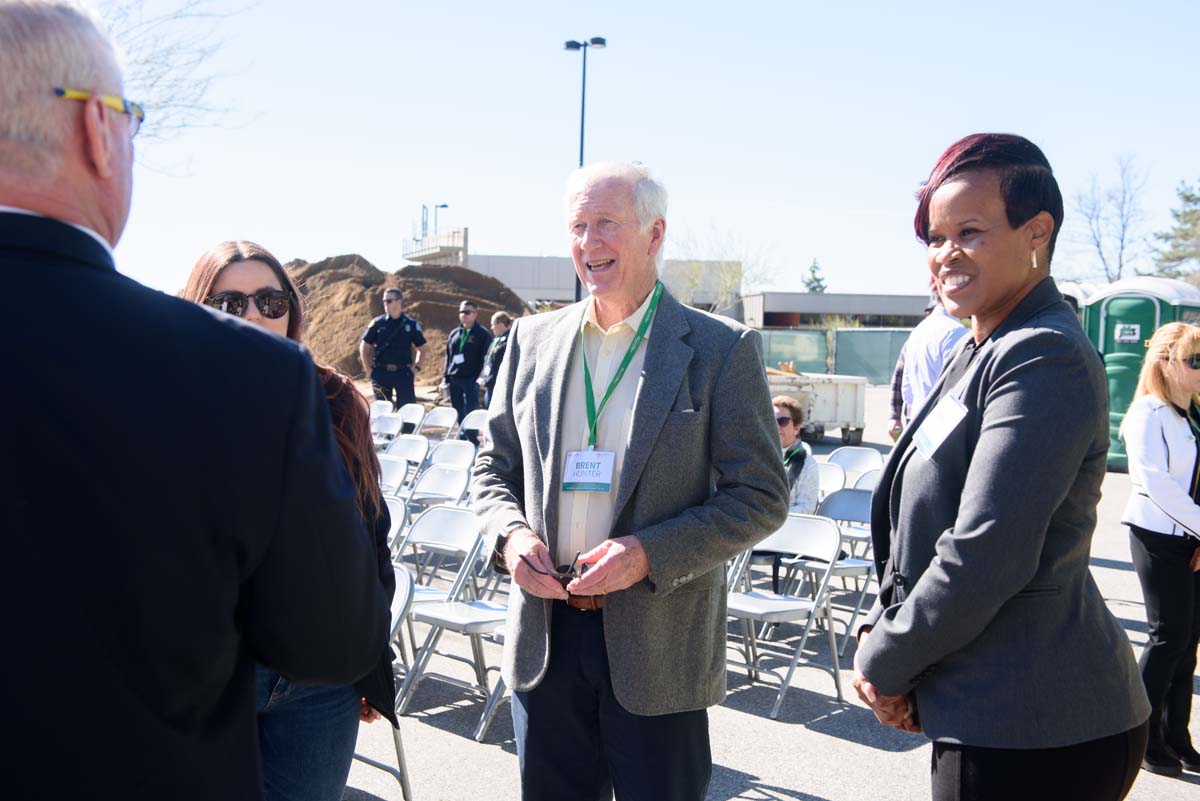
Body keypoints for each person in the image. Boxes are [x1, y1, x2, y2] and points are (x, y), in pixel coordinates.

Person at [0, 3, 388, 798]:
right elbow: (330, 636)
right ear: (98, 135)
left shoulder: (300, 389)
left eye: (269, 301)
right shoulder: (243, 380)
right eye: (132, 121)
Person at [472, 161, 789, 801]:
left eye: (607, 225)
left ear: (654, 234)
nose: (589, 244)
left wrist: (647, 554)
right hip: (546, 638)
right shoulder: (532, 341)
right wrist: (508, 536)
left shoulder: (722, 349)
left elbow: (760, 496)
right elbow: (490, 465)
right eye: (578, 226)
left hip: (658, 646)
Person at [852, 133, 1150, 801]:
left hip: (1037, 729)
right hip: (994, 713)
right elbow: (919, 521)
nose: (944, 254)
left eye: (970, 231)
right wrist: (885, 628)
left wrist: (884, 659)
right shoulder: (982, 344)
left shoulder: (1044, 354)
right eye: (934, 236)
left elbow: (988, 547)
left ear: (1036, 231)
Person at [182, 241, 398, 801]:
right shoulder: (168, 397)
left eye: (270, 301)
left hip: (318, 684)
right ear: (196, 306)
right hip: (208, 678)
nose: (254, 315)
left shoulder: (335, 398)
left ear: (292, 311)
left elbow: (370, 534)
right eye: (229, 303)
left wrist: (373, 661)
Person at [1120, 322, 1200, 777]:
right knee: (1167, 637)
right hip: (1157, 535)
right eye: (1195, 360)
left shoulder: (1192, 413)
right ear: (1166, 363)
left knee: (1188, 641)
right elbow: (1156, 485)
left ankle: (1177, 735)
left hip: (1192, 537)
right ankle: (1144, 738)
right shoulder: (1147, 414)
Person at [900, 290, 967, 421]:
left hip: (915, 417)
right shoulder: (956, 332)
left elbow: (906, 393)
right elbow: (960, 389)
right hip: (942, 422)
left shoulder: (918, 330)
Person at [361, 287, 425, 411]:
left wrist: (415, 369)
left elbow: (421, 349)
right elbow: (364, 346)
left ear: (399, 301)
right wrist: (368, 369)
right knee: (382, 412)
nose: (385, 304)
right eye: (384, 301)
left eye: (389, 300)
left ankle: (407, 431)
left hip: (403, 374)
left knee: (407, 411)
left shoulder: (411, 325)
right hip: (381, 373)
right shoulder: (377, 323)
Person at [444, 299, 491, 421]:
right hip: (455, 378)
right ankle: (461, 435)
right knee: (457, 410)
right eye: (461, 311)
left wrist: (479, 378)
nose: (463, 315)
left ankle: (472, 437)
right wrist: (445, 377)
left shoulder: (482, 334)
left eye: (467, 312)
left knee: (471, 411)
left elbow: (486, 358)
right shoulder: (454, 333)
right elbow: (448, 356)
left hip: (471, 379)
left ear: (475, 314)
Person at [773, 395, 818, 514]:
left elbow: (807, 508)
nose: (776, 426)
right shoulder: (758, 457)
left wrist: (773, 516)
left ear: (796, 429)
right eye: (771, 420)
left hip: (791, 526)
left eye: (782, 421)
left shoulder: (808, 464)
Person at [477, 310, 511, 408]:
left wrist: (488, 380)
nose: (491, 328)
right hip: (490, 384)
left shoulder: (507, 341)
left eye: (493, 325)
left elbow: (500, 366)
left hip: (498, 386)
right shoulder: (496, 340)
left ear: (500, 324)